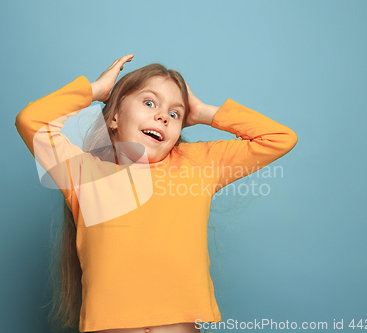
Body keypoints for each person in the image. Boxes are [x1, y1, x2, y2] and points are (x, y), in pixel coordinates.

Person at [15, 54, 298, 333]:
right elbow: (31, 120)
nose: (162, 116)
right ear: (114, 117)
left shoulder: (198, 164)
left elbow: (279, 139)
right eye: (149, 103)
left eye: (175, 113)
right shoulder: (84, 176)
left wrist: (201, 112)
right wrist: (94, 91)